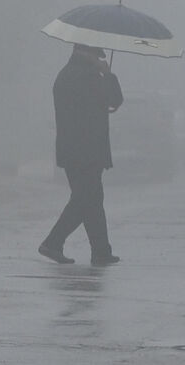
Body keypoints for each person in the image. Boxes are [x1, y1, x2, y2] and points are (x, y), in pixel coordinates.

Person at [39, 43, 123, 267]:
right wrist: (108, 74)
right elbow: (115, 99)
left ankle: (101, 251)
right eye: (97, 55)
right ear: (88, 54)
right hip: (87, 150)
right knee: (85, 199)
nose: (99, 59)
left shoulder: (66, 75)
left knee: (92, 199)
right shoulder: (88, 77)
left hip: (72, 149)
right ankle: (53, 242)